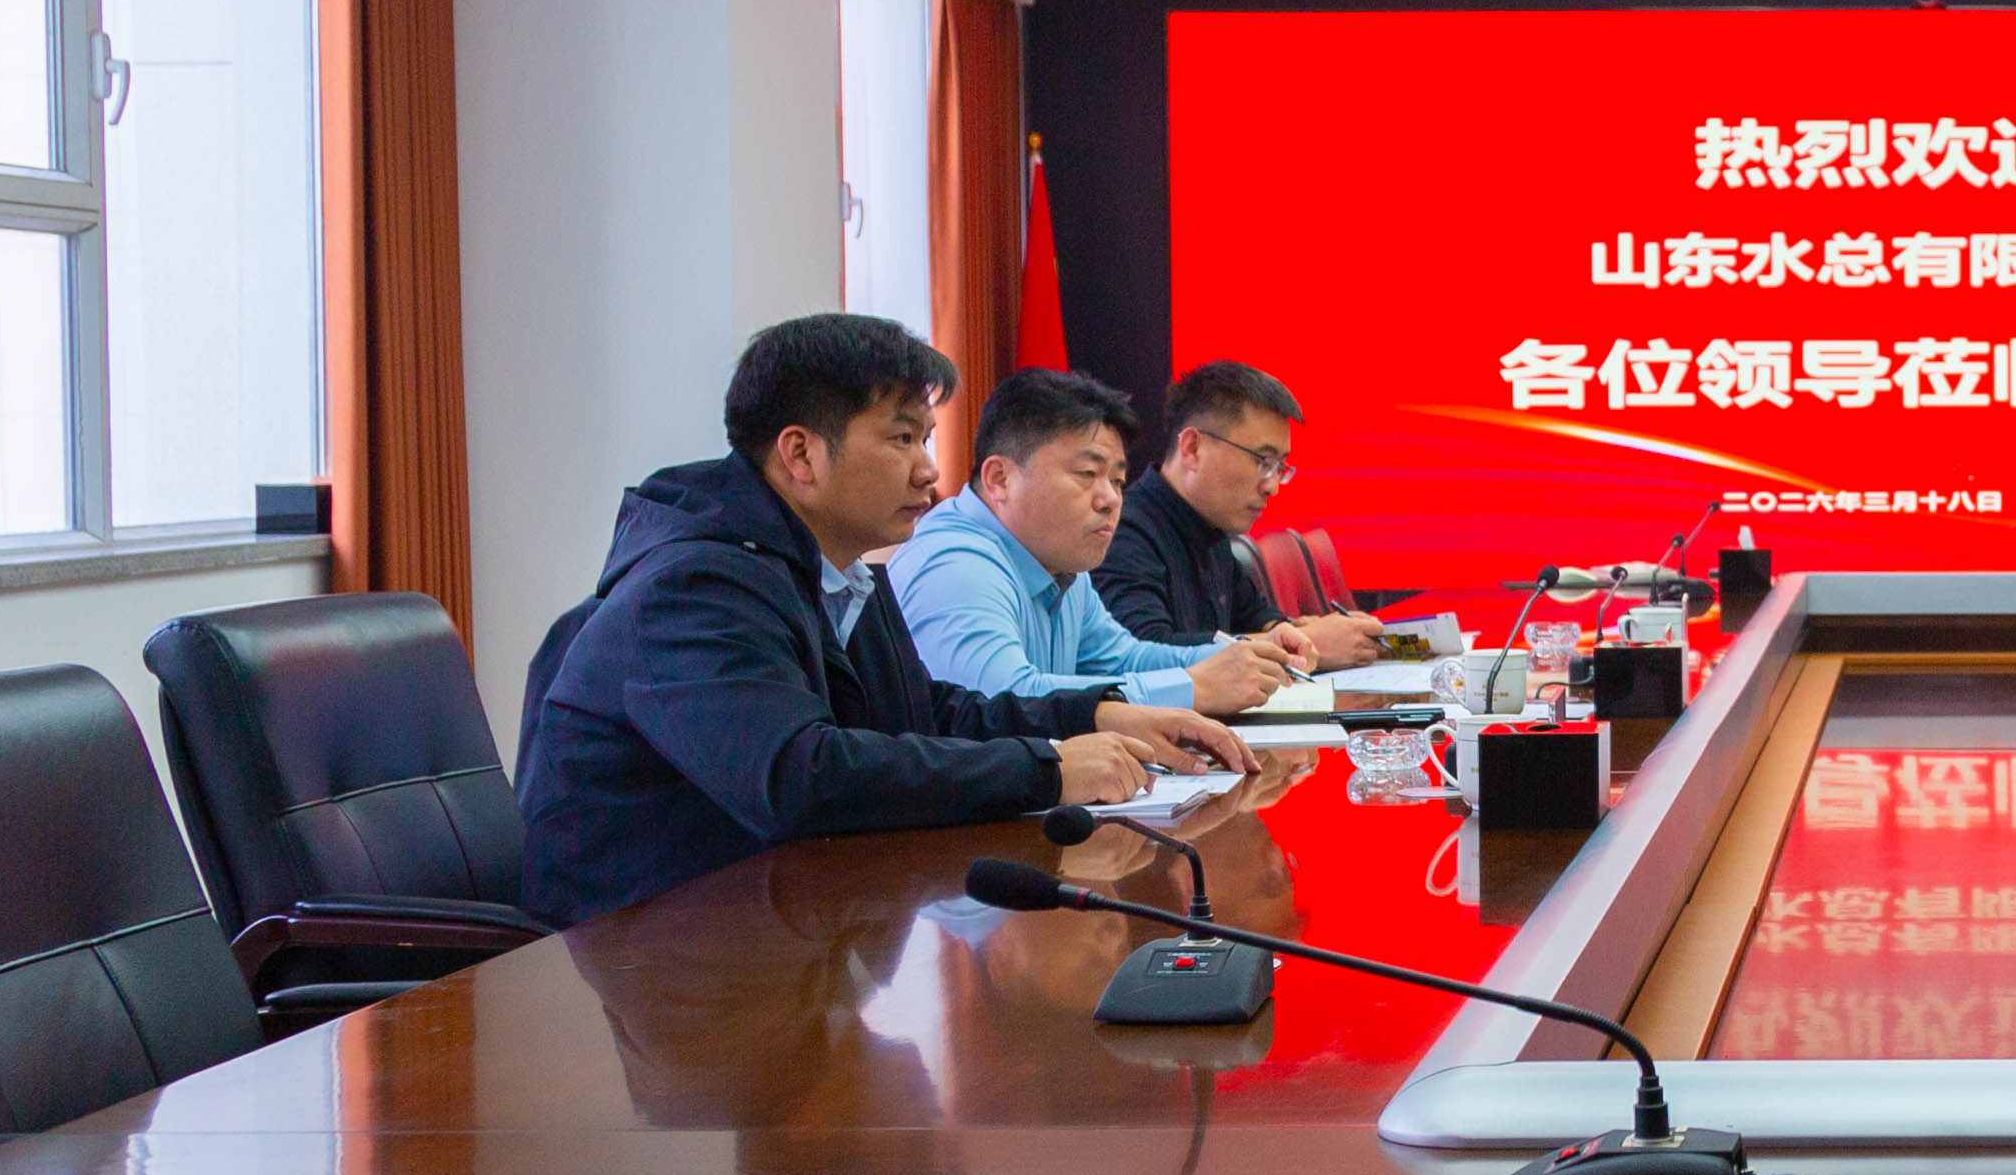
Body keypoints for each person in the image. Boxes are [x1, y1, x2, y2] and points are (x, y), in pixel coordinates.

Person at [518, 317, 1255, 928]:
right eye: (903, 439)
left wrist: (1097, 714)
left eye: (926, 440)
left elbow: (927, 713)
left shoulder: (837, 570)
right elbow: (798, 777)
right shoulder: (695, 588)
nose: (929, 470)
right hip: (635, 954)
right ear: (801, 454)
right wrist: (1047, 769)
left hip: (772, 922)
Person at [890, 367, 1320, 719]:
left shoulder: (1061, 562)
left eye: (1116, 479)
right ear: (999, 479)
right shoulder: (956, 566)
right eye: (1087, 474)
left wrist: (1237, 658)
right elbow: (1005, 701)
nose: (1111, 499)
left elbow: (1123, 658)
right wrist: (1192, 687)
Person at [1096, 361, 1392, 666]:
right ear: (1192, 448)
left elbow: (1257, 617)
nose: (1272, 486)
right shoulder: (1122, 531)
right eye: (1262, 461)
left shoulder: (1210, 527)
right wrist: (1307, 643)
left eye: (1280, 467)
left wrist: (1297, 630)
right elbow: (1142, 653)